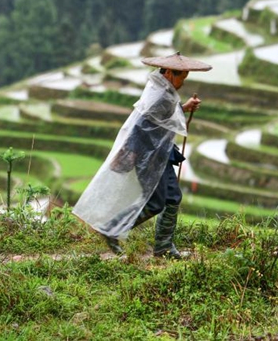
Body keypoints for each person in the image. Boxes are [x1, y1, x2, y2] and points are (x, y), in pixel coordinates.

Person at [73, 52, 212, 258]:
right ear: (170, 74)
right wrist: (132, 154)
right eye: (182, 76)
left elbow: (161, 119)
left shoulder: (160, 89)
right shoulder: (162, 96)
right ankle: (114, 229)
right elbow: (148, 124)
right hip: (148, 155)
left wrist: (183, 108)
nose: (183, 81)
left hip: (157, 153)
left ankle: (162, 246)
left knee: (172, 197)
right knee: (159, 202)